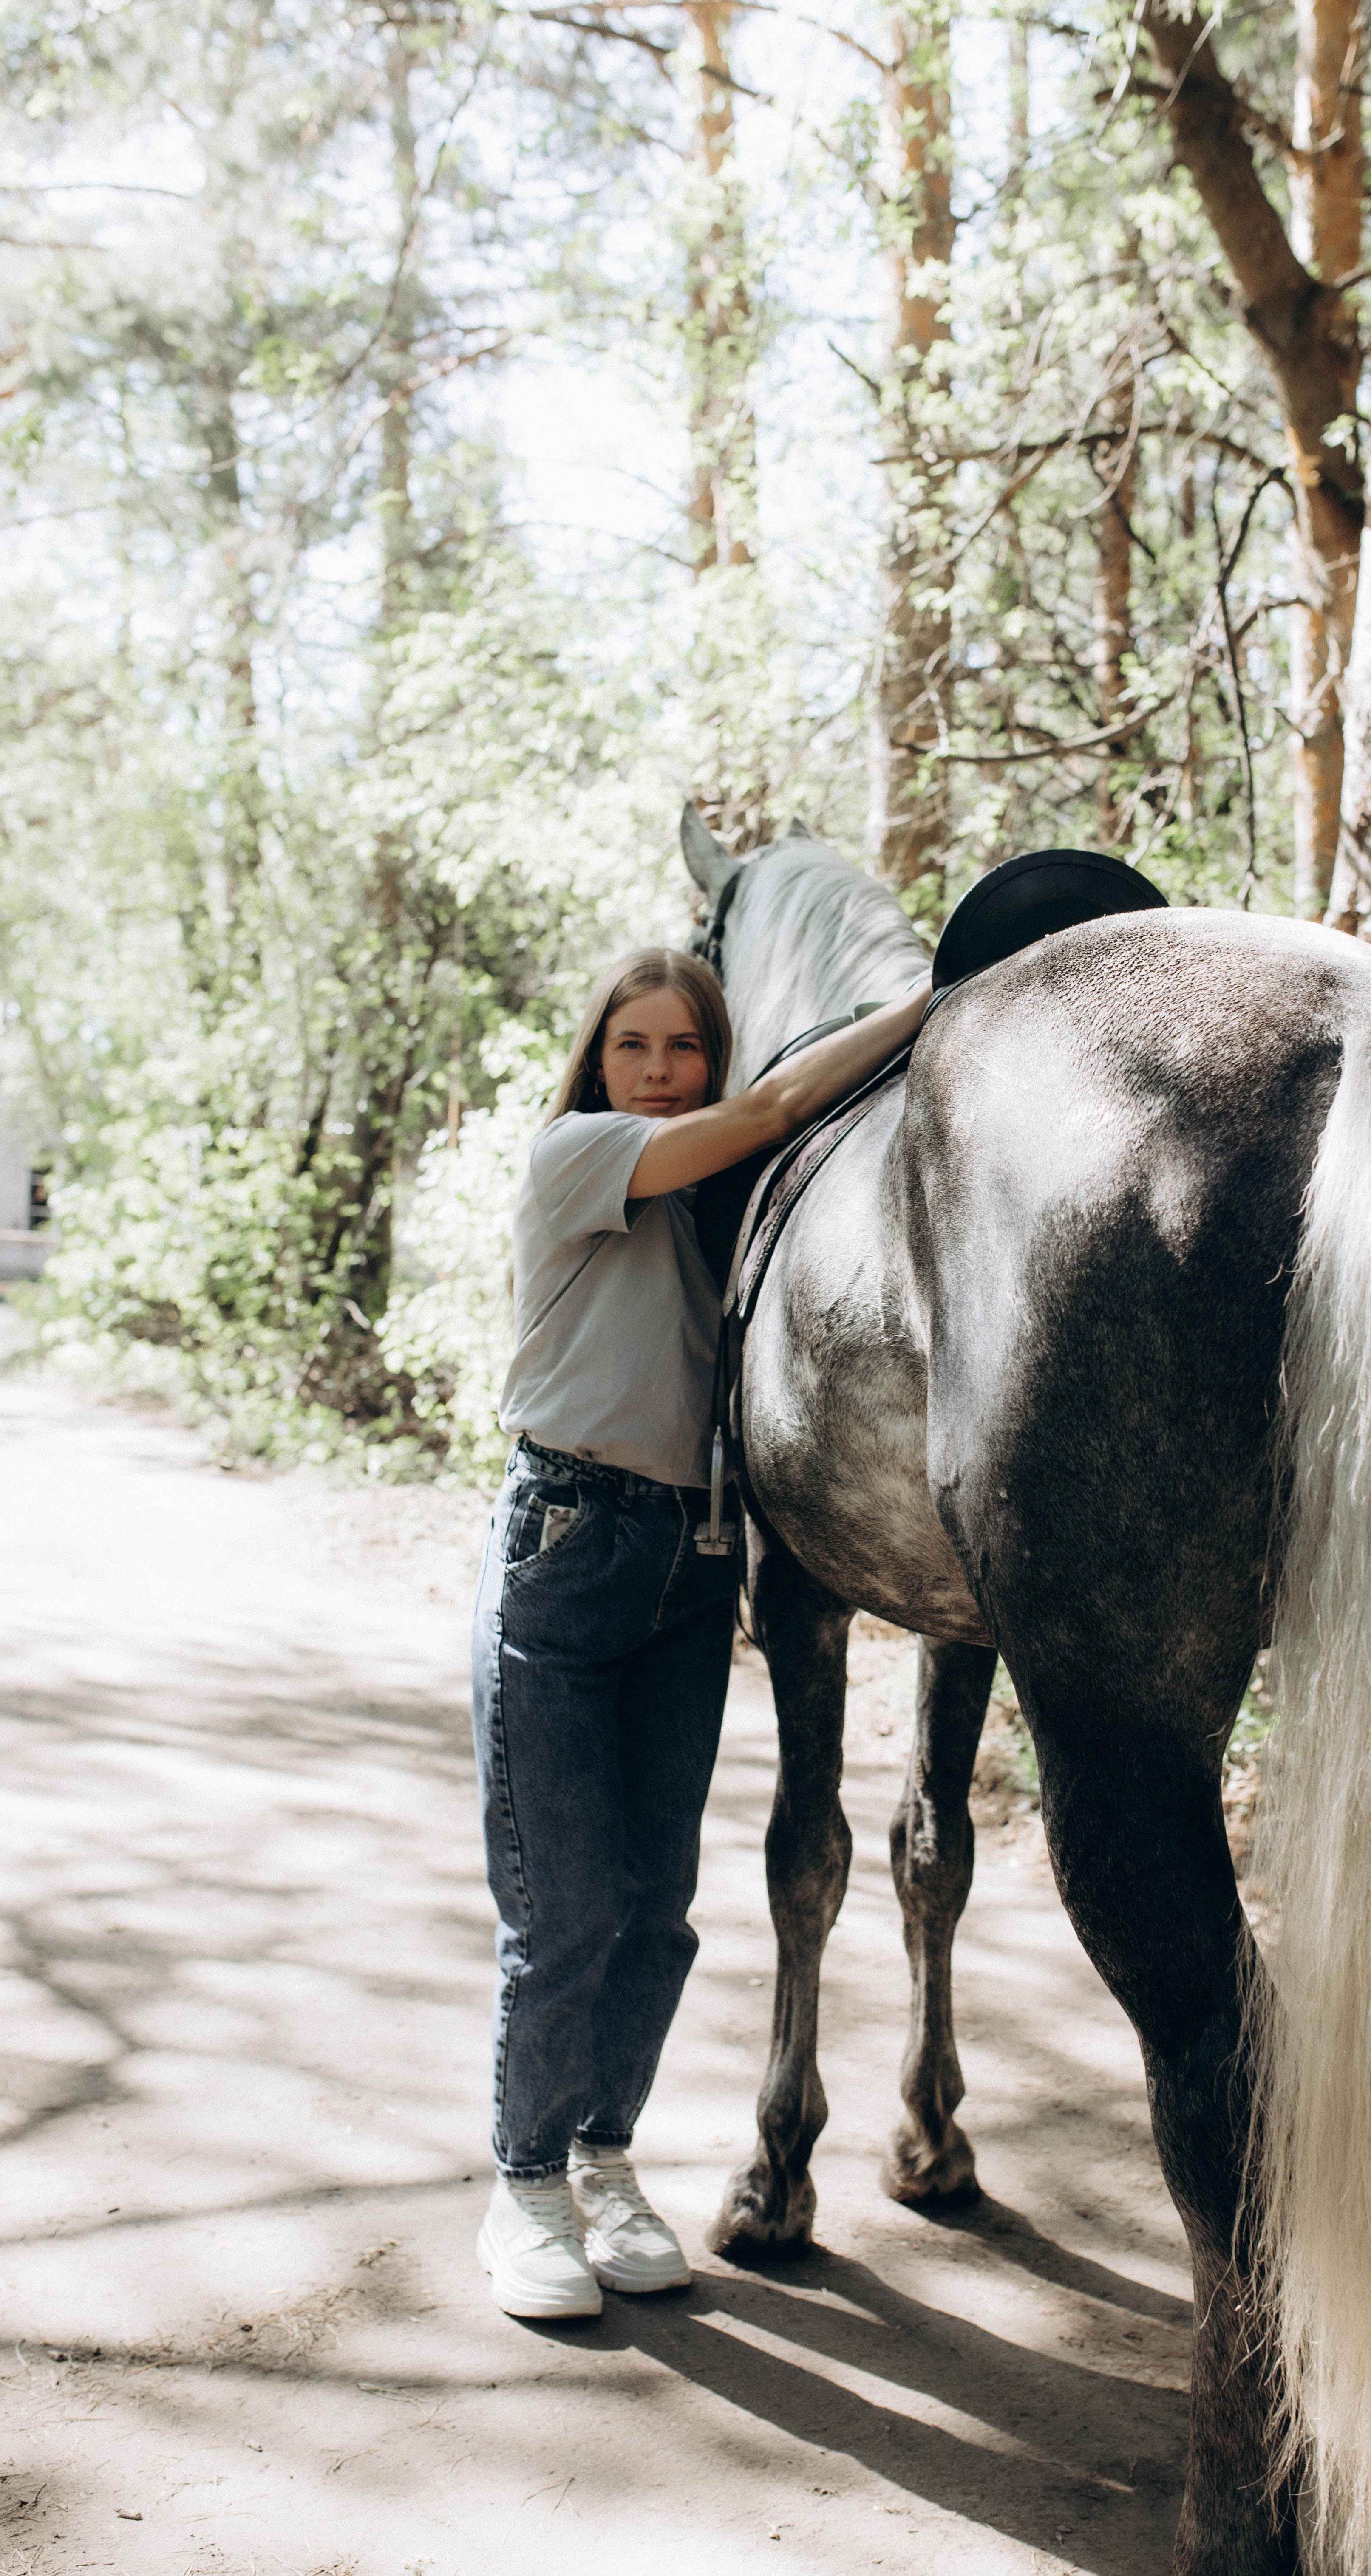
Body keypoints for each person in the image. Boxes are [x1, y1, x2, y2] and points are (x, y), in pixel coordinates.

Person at [471, 943, 931, 2319]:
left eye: (686, 1053)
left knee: (658, 1914)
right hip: (566, 1546)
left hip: (689, 1565)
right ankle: (526, 2185)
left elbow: (770, 1148)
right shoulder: (580, 1156)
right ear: (596, 1061)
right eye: (636, 1049)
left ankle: (606, 2163)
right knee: (568, 1909)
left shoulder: (713, 1216)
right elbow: (776, 1111)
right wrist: (929, 1001)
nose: (662, 1078)